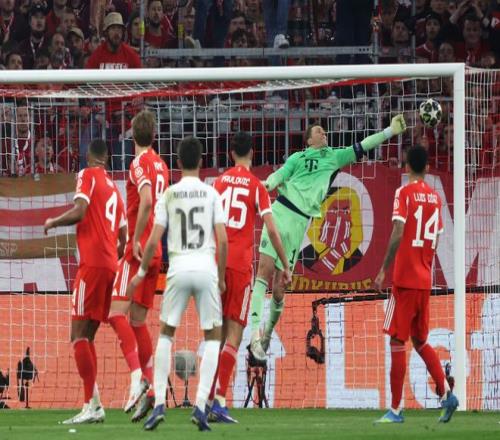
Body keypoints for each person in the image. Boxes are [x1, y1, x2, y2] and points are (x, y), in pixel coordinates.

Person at [248, 114, 408, 361]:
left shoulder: (334, 157)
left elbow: (363, 145)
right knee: (262, 274)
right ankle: (254, 337)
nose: (324, 134)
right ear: (308, 140)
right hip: (280, 212)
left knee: (279, 289)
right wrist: (268, 184)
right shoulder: (297, 158)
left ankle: (267, 334)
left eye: (324, 131)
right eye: (319, 131)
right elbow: (280, 175)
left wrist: (389, 131)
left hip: (299, 225)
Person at [129, 136, 227, 432]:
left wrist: (141, 271)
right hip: (206, 267)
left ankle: (159, 403)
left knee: (166, 334)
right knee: (213, 337)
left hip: (179, 268)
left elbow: (153, 239)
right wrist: (221, 277)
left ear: (179, 162)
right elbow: (223, 241)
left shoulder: (169, 195)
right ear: (201, 162)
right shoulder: (211, 194)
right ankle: (200, 406)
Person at [208, 132, 291, 423]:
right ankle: (218, 401)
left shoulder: (218, 183)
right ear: (252, 153)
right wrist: (285, 263)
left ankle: (207, 398)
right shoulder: (256, 186)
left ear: (231, 154)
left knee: (216, 336)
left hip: (215, 264)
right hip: (240, 267)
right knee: (234, 335)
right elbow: (272, 228)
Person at [43, 139, 127, 424]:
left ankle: (91, 405)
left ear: (88, 157)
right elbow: (124, 238)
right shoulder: (115, 190)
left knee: (77, 335)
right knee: (87, 336)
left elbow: (80, 210)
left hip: (91, 266)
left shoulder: (87, 174)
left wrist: (54, 221)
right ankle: (95, 404)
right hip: (110, 266)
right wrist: (109, 257)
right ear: (107, 158)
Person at [373, 145, 459, 423]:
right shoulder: (435, 198)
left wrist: (383, 270)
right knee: (420, 341)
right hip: (424, 280)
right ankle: (447, 394)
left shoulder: (404, 193)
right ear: (428, 168)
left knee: (397, 340)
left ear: (406, 166)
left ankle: (396, 410)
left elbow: (398, 230)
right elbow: (436, 238)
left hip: (405, 280)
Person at [107, 110, 169, 419]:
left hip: (139, 249)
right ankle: (151, 386)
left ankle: (137, 378)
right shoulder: (163, 165)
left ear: (132, 135)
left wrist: (134, 238)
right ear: (154, 135)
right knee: (138, 321)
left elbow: (146, 201)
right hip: (156, 250)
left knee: (114, 313)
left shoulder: (138, 164)